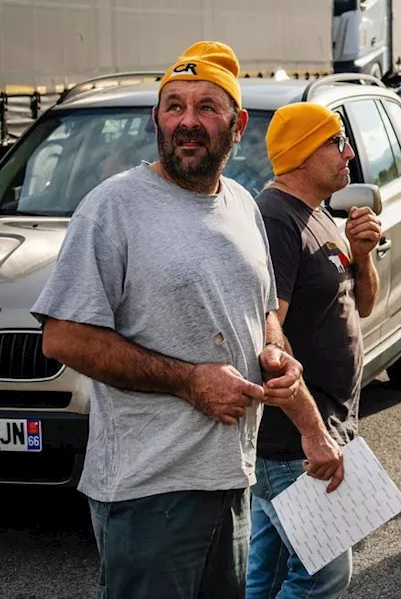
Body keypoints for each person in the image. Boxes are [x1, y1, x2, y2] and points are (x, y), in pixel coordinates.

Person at [35, 41, 303, 598]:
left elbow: (265, 312)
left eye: (207, 106)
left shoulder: (243, 205)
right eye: (174, 105)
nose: (188, 121)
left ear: (237, 123)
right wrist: (190, 381)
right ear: (156, 118)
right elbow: (63, 338)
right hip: (147, 490)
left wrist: (277, 352)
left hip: (232, 477)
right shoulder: (113, 207)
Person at [247, 102, 383, 599]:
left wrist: (362, 254)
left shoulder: (319, 215)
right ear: (303, 152)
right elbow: (266, 338)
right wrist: (312, 430)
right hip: (293, 441)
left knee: (268, 571)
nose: (349, 153)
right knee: (323, 575)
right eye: (336, 141)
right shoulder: (276, 220)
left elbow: (362, 304)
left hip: (320, 428)